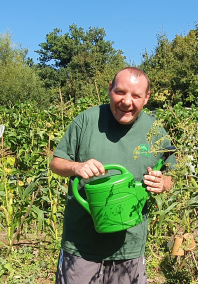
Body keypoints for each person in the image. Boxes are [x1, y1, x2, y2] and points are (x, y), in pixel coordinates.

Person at [50, 67, 176, 284]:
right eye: (120, 92)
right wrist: (77, 167)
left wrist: (163, 182)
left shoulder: (155, 131)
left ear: (146, 98)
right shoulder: (87, 121)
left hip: (130, 246)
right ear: (110, 89)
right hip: (81, 245)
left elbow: (173, 174)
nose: (127, 102)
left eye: (136, 96)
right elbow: (56, 163)